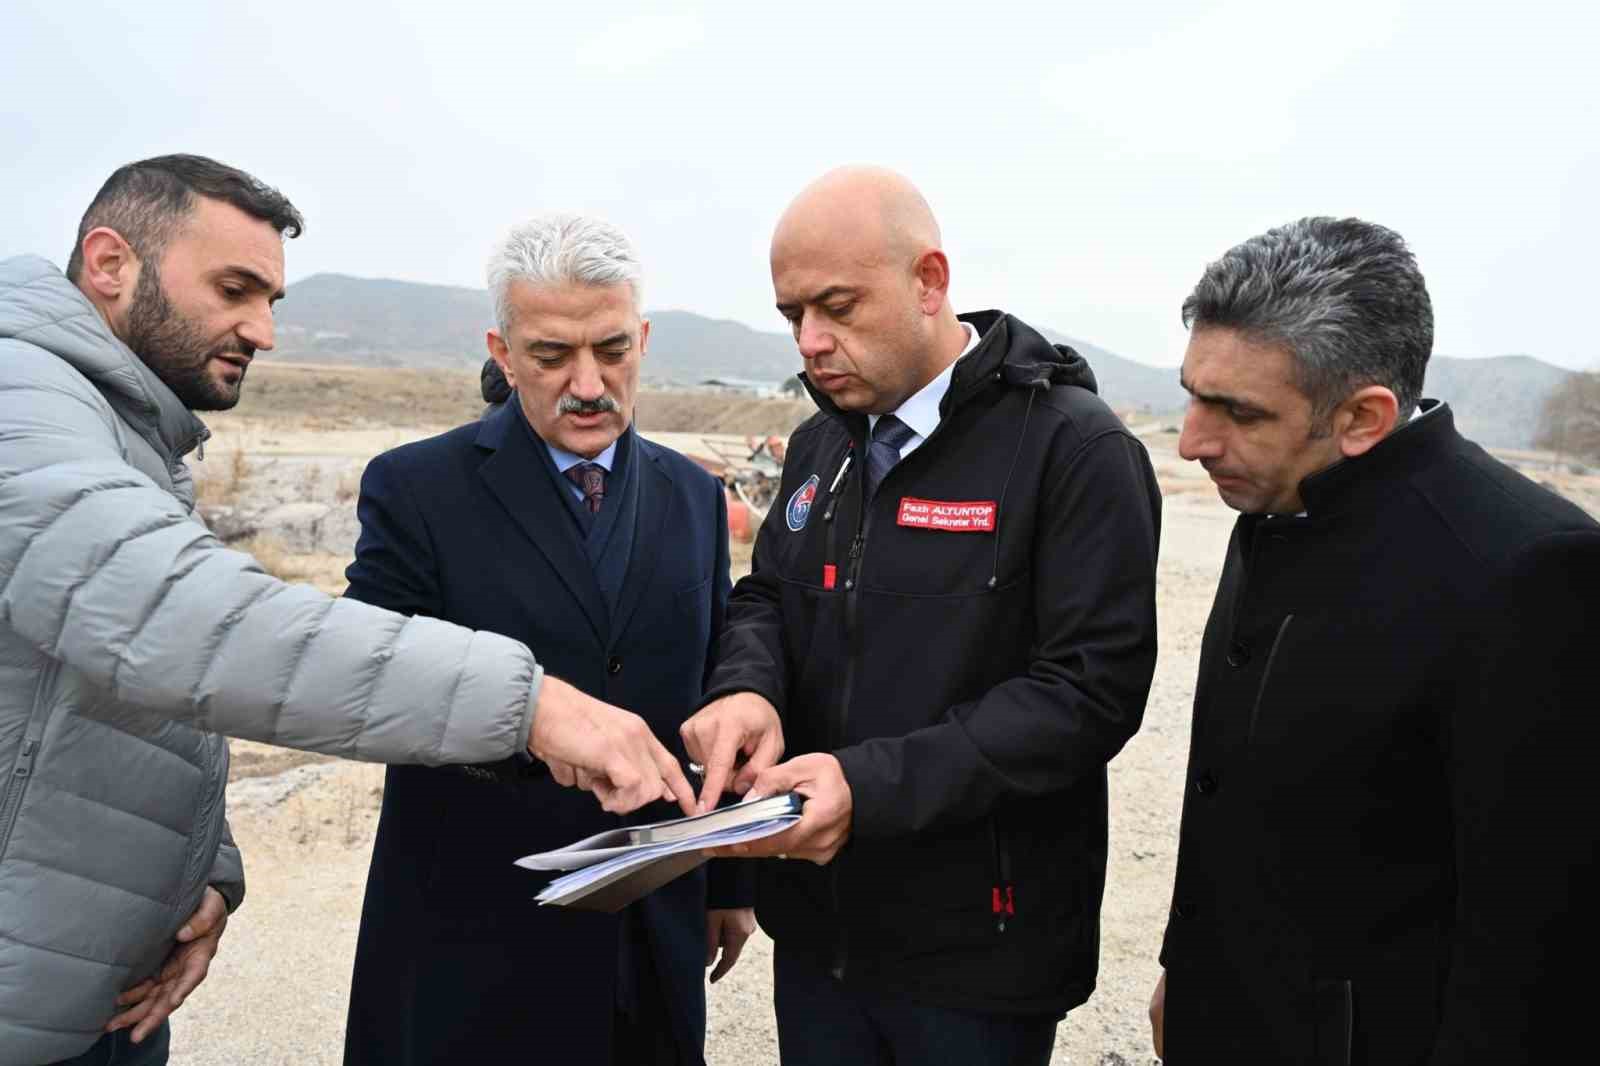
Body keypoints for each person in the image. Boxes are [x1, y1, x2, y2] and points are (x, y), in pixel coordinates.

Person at [0, 157, 693, 1066]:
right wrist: (532, 705)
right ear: (109, 264)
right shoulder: (21, 405)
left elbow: (132, 699)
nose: (265, 331)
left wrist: (203, 868)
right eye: (235, 290)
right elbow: (183, 619)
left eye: (272, 299)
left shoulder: (123, 434)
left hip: (89, 988)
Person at [680, 167, 1162, 1065]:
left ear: (930, 281)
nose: (811, 342)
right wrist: (746, 688)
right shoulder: (821, 443)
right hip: (818, 937)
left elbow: (1089, 693)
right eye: (792, 315)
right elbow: (768, 595)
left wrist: (868, 788)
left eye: (837, 307)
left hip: (978, 957)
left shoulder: (1073, 448)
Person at [1147, 217, 1600, 1063]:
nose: (1192, 441)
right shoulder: (1283, 493)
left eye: (1237, 411)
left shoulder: (1529, 568)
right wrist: (1188, 967)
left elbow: (1537, 937)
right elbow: (1234, 791)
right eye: (1193, 394)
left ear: (1362, 417)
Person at [342, 214, 754, 1066]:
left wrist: (727, 877)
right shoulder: (415, 489)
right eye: (552, 355)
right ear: (502, 352)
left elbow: (715, 690)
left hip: (652, 927)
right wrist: (531, 727)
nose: (589, 384)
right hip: (472, 928)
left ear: (643, 339)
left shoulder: (692, 495)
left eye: (612, 350)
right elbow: (366, 686)